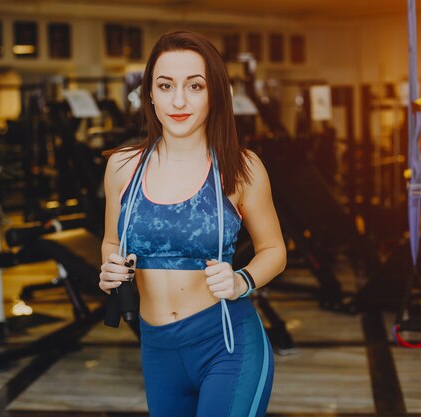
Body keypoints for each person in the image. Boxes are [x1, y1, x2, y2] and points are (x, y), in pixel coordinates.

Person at [99, 30, 286, 417]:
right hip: (157, 349)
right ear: (150, 93)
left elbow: (274, 251)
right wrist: (111, 269)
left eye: (194, 86)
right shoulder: (121, 167)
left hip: (227, 343)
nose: (178, 100)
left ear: (214, 93)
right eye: (165, 85)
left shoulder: (242, 168)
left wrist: (241, 280)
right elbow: (110, 242)